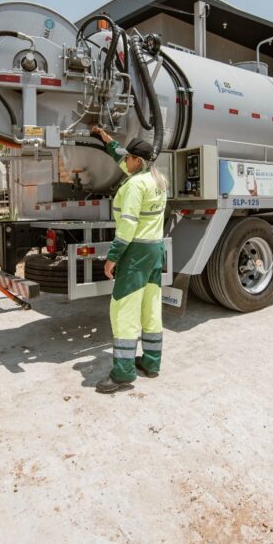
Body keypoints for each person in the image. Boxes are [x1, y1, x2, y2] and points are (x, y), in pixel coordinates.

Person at [90, 126, 168, 394]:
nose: (125, 162)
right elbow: (120, 156)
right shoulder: (156, 180)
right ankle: (151, 363)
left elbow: (128, 225)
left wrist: (113, 257)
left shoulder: (135, 185)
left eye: (129, 158)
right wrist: (105, 139)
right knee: (151, 308)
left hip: (135, 252)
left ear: (138, 161)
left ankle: (122, 374)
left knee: (124, 311)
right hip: (155, 251)